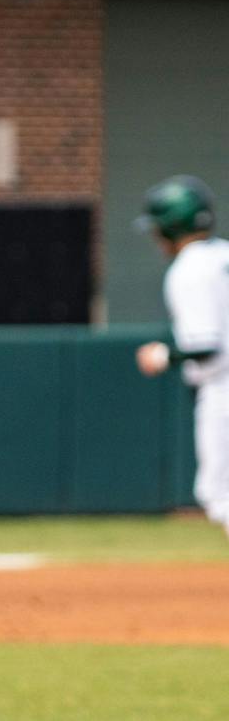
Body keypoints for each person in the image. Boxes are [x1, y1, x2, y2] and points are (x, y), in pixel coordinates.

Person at [135, 175, 229, 541]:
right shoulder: (224, 254)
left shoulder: (188, 269)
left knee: (219, 495)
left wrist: (162, 356)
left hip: (222, 389)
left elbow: (205, 345)